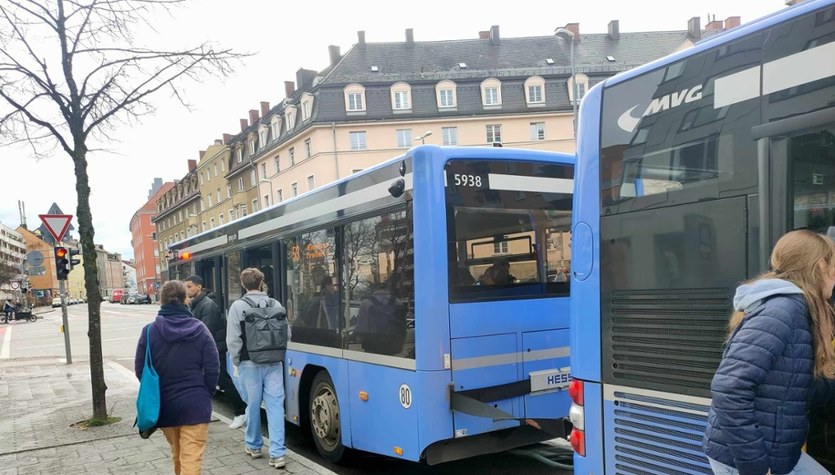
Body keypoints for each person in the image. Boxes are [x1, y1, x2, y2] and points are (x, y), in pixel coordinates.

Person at [703, 229, 835, 475]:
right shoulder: (783, 310)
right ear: (820, 265)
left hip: (777, 454)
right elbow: (729, 388)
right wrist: (755, 465)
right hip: (750, 458)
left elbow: (790, 386)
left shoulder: (796, 308)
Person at [134, 280, 219, 475]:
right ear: (185, 300)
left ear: (162, 301)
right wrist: (207, 392)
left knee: (178, 453)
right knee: (191, 458)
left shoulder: (149, 331)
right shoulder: (200, 329)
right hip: (195, 404)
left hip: (165, 405)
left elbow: (140, 369)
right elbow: (213, 367)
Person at [226, 267, 287, 469]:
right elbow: (287, 335)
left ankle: (254, 446)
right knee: (276, 405)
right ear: (261, 282)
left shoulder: (238, 306)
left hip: (249, 362)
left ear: (243, 284)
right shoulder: (275, 303)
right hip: (274, 362)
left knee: (252, 405)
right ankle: (278, 454)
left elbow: (233, 339)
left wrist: (236, 361)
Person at [184, 275, 247, 429]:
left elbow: (206, 332)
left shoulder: (207, 305)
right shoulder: (195, 304)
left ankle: (240, 412)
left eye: (190, 286)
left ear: (199, 287)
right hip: (206, 350)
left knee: (223, 381)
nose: (187, 289)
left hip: (213, 350)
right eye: (186, 287)